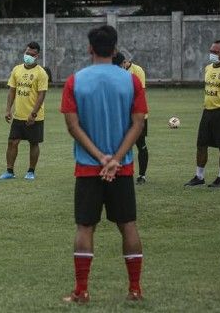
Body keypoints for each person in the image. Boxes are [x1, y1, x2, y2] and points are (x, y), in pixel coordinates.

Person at [59, 25, 147, 303]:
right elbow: (138, 123)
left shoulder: (75, 81)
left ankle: (81, 291)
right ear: (115, 48)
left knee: (85, 228)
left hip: (88, 167)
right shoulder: (131, 80)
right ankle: (134, 289)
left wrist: (100, 158)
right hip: (122, 168)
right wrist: (116, 159)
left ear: (90, 48)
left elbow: (73, 126)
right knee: (128, 225)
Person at [184, 40, 220, 188]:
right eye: (211, 51)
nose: (212, 54)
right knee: (201, 145)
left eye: (216, 52)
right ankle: (199, 177)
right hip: (207, 112)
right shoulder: (208, 68)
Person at [0, 42, 48, 181]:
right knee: (12, 142)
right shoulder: (17, 70)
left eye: (31, 55)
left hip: (34, 116)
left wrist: (34, 113)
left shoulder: (41, 73)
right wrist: (8, 109)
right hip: (18, 115)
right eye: (27, 53)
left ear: (37, 56)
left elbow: (42, 94)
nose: (28, 56)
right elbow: (12, 90)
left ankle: (31, 171)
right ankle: (9, 171)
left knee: (34, 143)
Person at [113, 52, 149, 184]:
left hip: (138, 115)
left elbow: (140, 93)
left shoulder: (137, 71)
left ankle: (142, 175)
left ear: (125, 62)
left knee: (141, 144)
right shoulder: (116, 73)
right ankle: (120, 173)